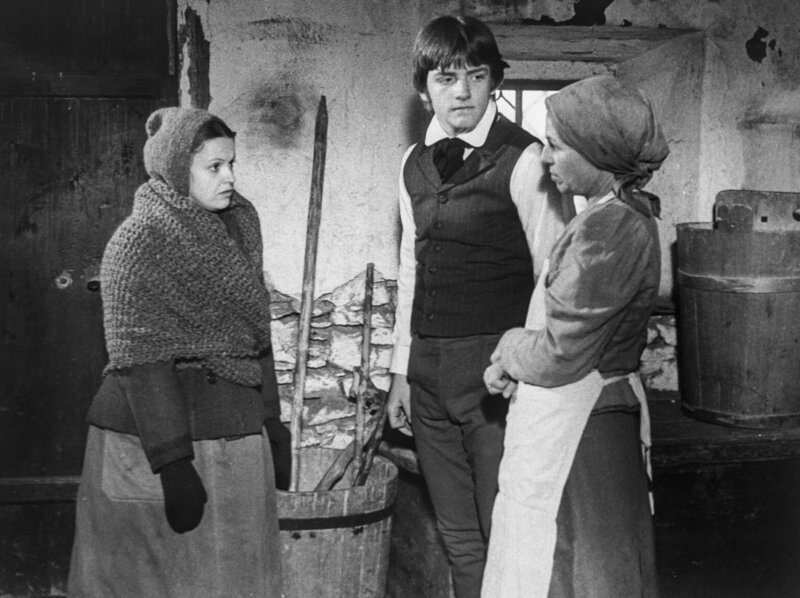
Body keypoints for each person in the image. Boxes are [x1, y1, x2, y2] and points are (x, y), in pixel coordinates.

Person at [67, 107, 289, 597]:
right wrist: (172, 462)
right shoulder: (137, 242)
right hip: (152, 436)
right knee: (146, 579)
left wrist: (271, 418)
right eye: (214, 167)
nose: (229, 177)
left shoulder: (239, 224)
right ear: (174, 169)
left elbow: (255, 331)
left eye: (231, 163)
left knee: (232, 578)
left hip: (232, 428)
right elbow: (139, 358)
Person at [386, 15, 564, 598]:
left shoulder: (526, 158)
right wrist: (400, 374)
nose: (461, 92)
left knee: (504, 531)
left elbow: (552, 277)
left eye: (476, 76)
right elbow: (412, 267)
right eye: (445, 78)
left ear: (495, 81)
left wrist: (522, 369)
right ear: (423, 89)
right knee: (459, 539)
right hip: (428, 378)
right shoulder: (411, 163)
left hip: (494, 380)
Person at [480, 75, 669, 598]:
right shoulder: (618, 216)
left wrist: (509, 349)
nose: (546, 159)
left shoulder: (608, 230)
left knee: (573, 571)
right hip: (590, 415)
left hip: (582, 431)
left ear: (598, 154)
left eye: (557, 146)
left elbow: (562, 353)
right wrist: (520, 364)